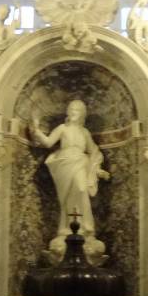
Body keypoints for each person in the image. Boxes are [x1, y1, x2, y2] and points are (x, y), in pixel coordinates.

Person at [31, 99, 109, 245]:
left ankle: (85, 228)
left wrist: (97, 169)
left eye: (77, 110)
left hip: (80, 163)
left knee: (81, 189)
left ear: (82, 114)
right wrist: (36, 130)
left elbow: (93, 151)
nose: (73, 112)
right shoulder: (62, 128)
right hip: (64, 164)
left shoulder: (85, 132)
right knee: (66, 198)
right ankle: (67, 229)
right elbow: (48, 142)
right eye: (71, 109)